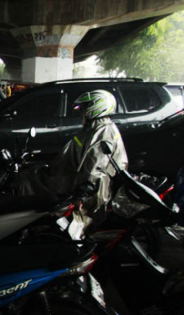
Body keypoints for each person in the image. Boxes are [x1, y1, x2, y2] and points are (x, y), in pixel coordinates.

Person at [19, 89, 128, 230]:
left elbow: (96, 168)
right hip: (71, 178)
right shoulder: (96, 129)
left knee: (28, 179)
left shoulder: (102, 133)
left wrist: (82, 194)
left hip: (82, 187)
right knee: (33, 173)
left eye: (83, 109)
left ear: (94, 109)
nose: (80, 113)